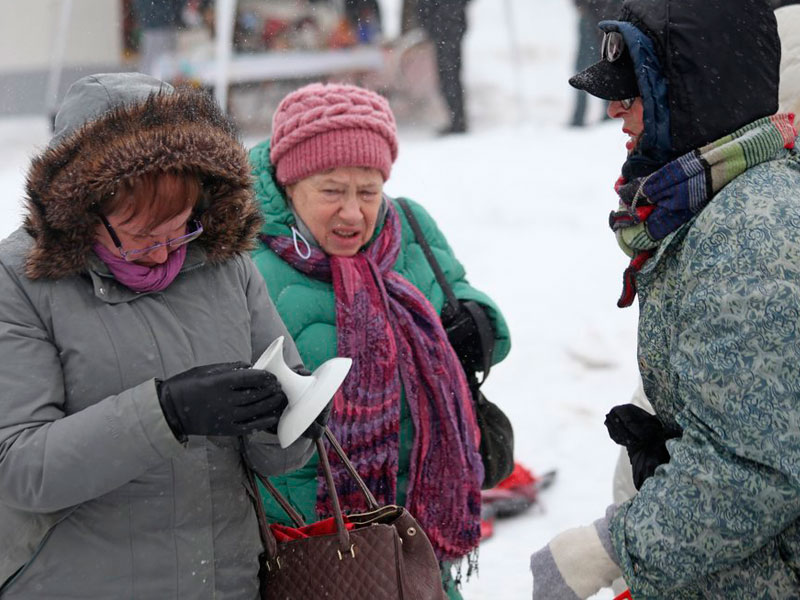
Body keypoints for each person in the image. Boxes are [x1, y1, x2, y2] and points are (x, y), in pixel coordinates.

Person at [0, 72, 321, 598]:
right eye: (142, 235)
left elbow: (274, 459)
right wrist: (166, 412)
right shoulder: (18, 282)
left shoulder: (225, 264)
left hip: (223, 584)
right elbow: (20, 469)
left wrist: (290, 420)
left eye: (181, 227)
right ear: (83, 209)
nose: (165, 252)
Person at [530, 0, 800, 597]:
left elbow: (756, 467)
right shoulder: (716, 204)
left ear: (691, 97)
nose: (614, 109)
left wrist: (608, 549)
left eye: (633, 91)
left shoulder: (749, 234)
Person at [249, 82, 511, 599]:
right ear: (289, 184)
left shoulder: (407, 226)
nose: (353, 213)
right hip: (310, 540)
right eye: (332, 191)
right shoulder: (246, 259)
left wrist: (478, 323)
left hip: (418, 528)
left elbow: (461, 296)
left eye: (368, 192)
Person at [417, 0, 471, 134]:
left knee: (449, 76)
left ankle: (457, 120)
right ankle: (457, 119)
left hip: (446, 25)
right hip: (447, 24)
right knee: (450, 75)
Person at [569, 0, 622, 127]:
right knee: (588, 65)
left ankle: (605, 112)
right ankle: (581, 115)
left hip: (602, 16)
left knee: (600, 64)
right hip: (595, 15)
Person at [133, 0, 184, 76]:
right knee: (160, 60)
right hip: (160, 25)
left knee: (155, 61)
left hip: (156, 24)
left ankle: (151, 78)